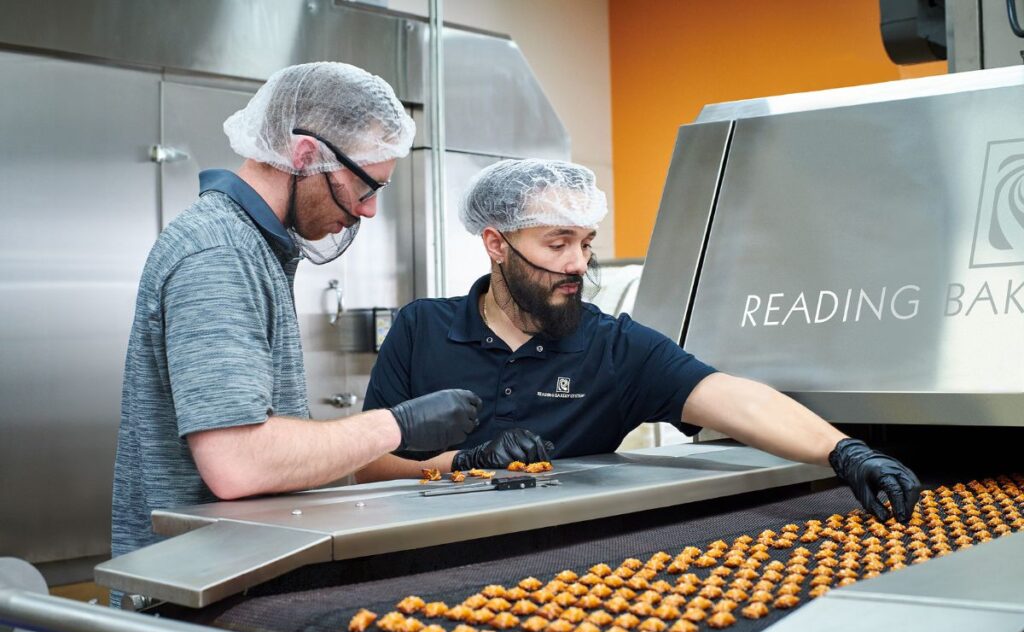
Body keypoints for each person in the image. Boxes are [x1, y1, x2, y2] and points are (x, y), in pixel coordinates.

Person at [358, 158, 922, 523]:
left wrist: (845, 451)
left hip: (565, 560)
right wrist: (467, 461)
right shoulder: (421, 328)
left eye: (585, 244)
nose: (576, 265)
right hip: (409, 554)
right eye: (557, 244)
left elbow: (732, 397)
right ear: (496, 244)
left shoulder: (613, 347)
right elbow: (368, 464)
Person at [112, 62, 481, 558]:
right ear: (305, 155)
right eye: (365, 186)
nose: (368, 210)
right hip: (193, 586)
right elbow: (238, 463)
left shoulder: (257, 248)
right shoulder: (219, 252)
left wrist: (457, 461)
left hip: (232, 566)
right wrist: (398, 424)